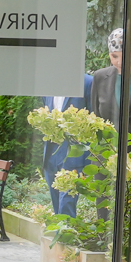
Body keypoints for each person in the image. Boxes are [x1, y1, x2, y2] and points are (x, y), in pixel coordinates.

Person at [40, 74, 93, 217]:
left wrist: (88, 154)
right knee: (57, 204)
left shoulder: (87, 82)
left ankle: (66, 230)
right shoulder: (47, 83)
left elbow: (93, 117)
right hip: (51, 151)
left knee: (66, 204)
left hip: (74, 153)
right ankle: (61, 229)